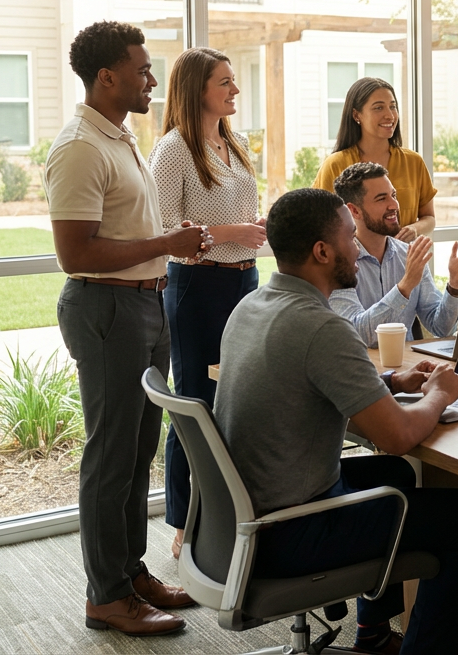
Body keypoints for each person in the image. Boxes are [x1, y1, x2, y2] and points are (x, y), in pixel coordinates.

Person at [213, 187, 458, 654]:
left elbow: (309, 383)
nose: (358, 248)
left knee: (395, 475)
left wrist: (391, 381)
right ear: (322, 251)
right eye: (349, 238)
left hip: (245, 513)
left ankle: (374, 632)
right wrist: (440, 395)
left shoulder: (253, 306)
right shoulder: (322, 327)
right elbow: (399, 435)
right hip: (292, 529)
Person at [46, 21, 209, 636]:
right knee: (110, 457)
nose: (151, 79)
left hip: (145, 304)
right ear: (106, 76)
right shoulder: (80, 148)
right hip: (106, 309)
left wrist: (162, 260)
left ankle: (130, 572)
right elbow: (76, 253)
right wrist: (168, 242)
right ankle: (106, 596)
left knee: (137, 452)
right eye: (142, 69)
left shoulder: (119, 137)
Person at [149, 47, 267, 560]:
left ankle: (233, 514)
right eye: (225, 82)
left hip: (245, 281)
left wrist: (256, 230)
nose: (235, 90)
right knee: (195, 403)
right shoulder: (173, 149)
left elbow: (247, 210)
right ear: (199, 89)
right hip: (196, 287)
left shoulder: (237, 143)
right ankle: (184, 522)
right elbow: (159, 228)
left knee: (236, 400)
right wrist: (232, 231)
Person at [329, 162, 458, 347]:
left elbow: (440, 328)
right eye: (382, 199)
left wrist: (455, 286)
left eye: (394, 195)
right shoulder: (337, 263)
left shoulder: (408, 255)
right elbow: (358, 335)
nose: (395, 205)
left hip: (408, 369)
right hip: (362, 371)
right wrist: (405, 286)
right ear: (354, 210)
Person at [314, 77, 436, 241]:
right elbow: (319, 221)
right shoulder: (335, 165)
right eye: (378, 108)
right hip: (354, 264)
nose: (389, 115)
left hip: (406, 261)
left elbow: (429, 217)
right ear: (357, 115)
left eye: (392, 107)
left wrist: (414, 228)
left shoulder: (413, 162)